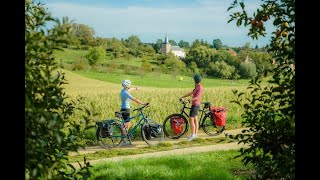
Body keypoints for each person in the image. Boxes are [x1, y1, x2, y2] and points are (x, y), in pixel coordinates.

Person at [120, 79, 148, 144]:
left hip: (122, 109)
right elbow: (134, 99)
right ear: (127, 85)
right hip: (126, 109)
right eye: (129, 85)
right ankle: (124, 139)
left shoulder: (123, 91)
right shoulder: (126, 93)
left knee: (125, 124)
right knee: (127, 124)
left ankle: (123, 137)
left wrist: (135, 88)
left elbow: (129, 89)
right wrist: (143, 103)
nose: (130, 86)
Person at [179, 74, 203, 141]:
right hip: (195, 104)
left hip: (195, 105)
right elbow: (191, 93)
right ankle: (195, 134)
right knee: (195, 119)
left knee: (191, 119)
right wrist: (183, 96)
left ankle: (193, 135)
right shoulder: (197, 86)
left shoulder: (200, 87)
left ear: (195, 80)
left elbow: (198, 97)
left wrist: (189, 100)